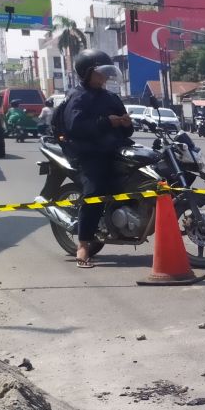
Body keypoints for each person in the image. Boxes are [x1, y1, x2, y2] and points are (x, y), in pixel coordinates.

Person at [62, 49, 134, 268]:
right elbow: (75, 127)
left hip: (114, 151)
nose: (104, 78)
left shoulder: (110, 97)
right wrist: (106, 122)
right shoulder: (78, 97)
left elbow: (126, 130)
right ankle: (83, 244)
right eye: (99, 73)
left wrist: (126, 123)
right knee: (94, 192)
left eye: (105, 73)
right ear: (86, 73)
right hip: (89, 155)